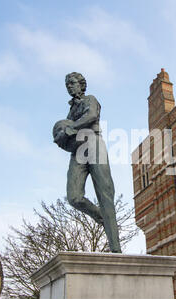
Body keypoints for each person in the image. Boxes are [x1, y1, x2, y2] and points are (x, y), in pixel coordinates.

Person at [53, 72, 122, 253]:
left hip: (93, 143)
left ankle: (115, 248)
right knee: (74, 197)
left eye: (72, 83)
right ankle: (102, 216)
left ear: (81, 85)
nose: (69, 86)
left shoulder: (90, 99)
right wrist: (62, 138)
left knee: (105, 194)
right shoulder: (70, 112)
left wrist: (70, 128)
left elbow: (91, 116)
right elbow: (64, 135)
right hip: (77, 151)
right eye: (67, 84)